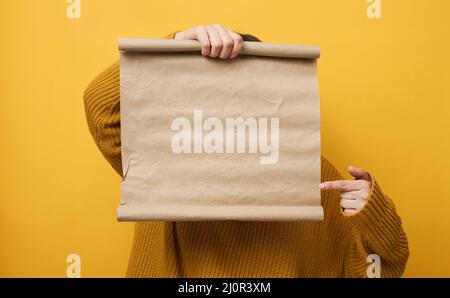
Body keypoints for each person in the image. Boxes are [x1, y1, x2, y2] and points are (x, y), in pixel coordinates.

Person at [83, 24, 409, 277]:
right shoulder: (170, 151)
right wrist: (177, 44)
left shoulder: (310, 172)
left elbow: (377, 269)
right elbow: (100, 107)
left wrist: (373, 213)